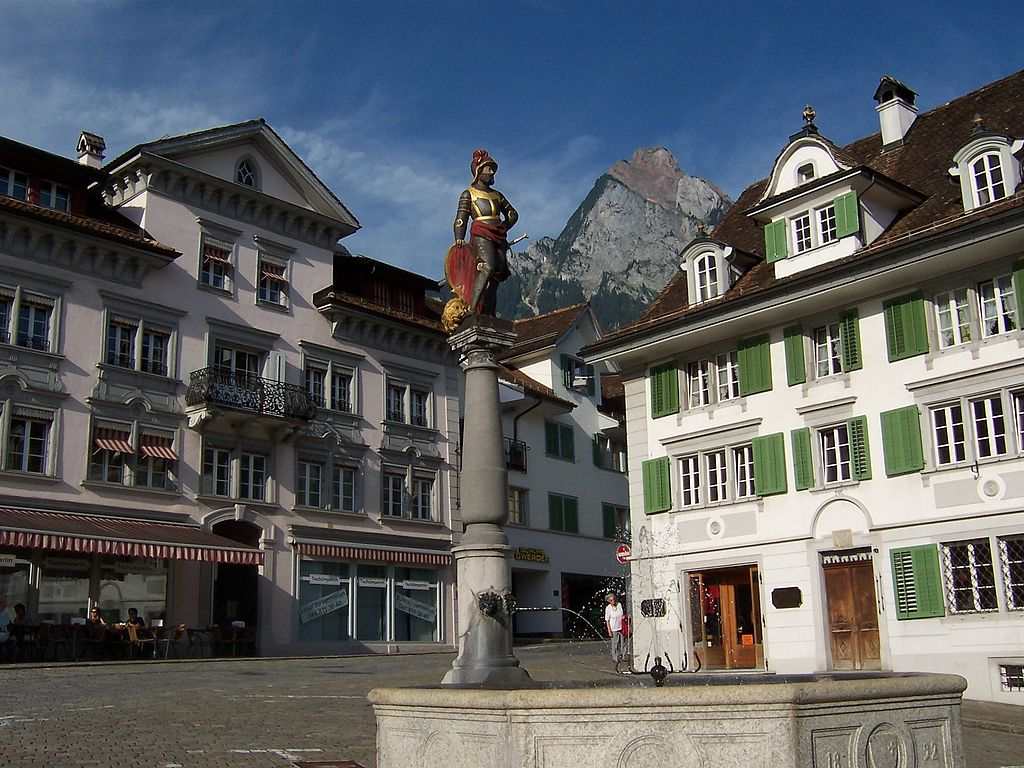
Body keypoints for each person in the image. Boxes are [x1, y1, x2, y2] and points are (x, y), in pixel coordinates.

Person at [604, 592, 625, 665]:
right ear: (608, 601)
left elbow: (622, 615)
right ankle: (615, 657)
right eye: (611, 600)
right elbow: (607, 620)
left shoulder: (619, 605)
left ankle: (622, 656)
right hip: (613, 628)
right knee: (615, 644)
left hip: (621, 627)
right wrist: (609, 631)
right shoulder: (608, 608)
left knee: (622, 643)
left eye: (614, 599)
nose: (613, 601)